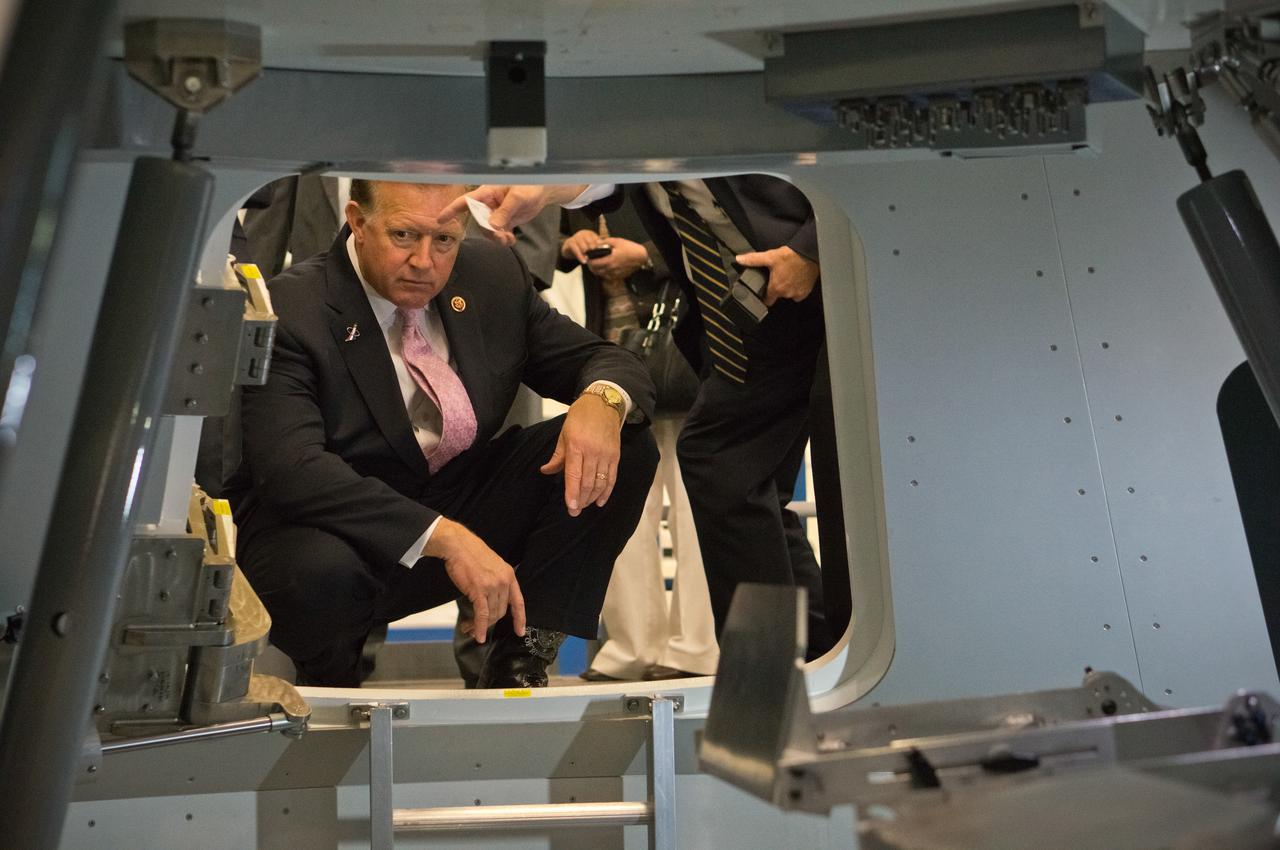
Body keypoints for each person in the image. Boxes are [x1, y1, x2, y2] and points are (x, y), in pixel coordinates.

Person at [224, 179, 659, 688]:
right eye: (404, 235)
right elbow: (293, 470)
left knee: (622, 442)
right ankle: (329, 684)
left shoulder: (490, 275)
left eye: (445, 240)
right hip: (337, 529)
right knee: (316, 571)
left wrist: (600, 401)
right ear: (358, 222)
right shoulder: (292, 306)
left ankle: (522, 656)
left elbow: (601, 359)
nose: (425, 261)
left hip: (455, 502)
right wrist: (444, 537)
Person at [443, 180, 848, 659]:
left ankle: (815, 664)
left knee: (834, 479)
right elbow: (610, 171)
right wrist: (545, 190)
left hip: (837, 285)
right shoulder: (640, 142)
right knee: (725, 470)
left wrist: (813, 250)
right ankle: (798, 664)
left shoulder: (718, 110)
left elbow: (853, 167)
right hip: (754, 312)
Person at [558, 203, 719, 681]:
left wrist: (645, 255)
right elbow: (539, 244)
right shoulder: (582, 189)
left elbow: (715, 243)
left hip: (685, 353)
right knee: (616, 501)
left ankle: (697, 647)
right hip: (610, 358)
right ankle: (631, 646)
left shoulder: (666, 177)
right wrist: (569, 248)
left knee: (695, 507)